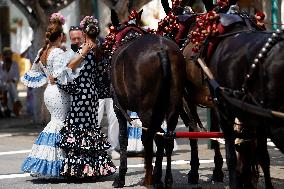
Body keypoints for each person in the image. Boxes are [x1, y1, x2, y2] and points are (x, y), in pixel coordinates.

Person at [58, 16, 116, 178]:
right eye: (73, 38)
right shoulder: (96, 50)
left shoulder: (84, 51)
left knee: (78, 128)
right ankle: (92, 168)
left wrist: (82, 53)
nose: (76, 40)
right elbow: (99, 74)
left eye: (78, 37)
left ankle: (80, 170)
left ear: (84, 34)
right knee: (89, 128)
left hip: (81, 94)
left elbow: (69, 68)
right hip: (91, 94)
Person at [21, 13, 71, 177]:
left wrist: (48, 76)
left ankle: (46, 162)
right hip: (57, 91)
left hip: (49, 91)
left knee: (55, 124)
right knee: (59, 125)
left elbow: (34, 73)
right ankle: (56, 166)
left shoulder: (43, 50)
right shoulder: (57, 52)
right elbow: (61, 74)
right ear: (61, 36)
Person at [0, 47, 22, 116]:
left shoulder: (15, 64)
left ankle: (10, 109)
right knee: (10, 87)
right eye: (6, 54)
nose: (8, 56)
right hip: (2, 86)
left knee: (11, 86)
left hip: (12, 84)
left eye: (9, 54)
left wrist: (12, 80)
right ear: (3, 56)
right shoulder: (1, 65)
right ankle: (16, 101)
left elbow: (17, 76)